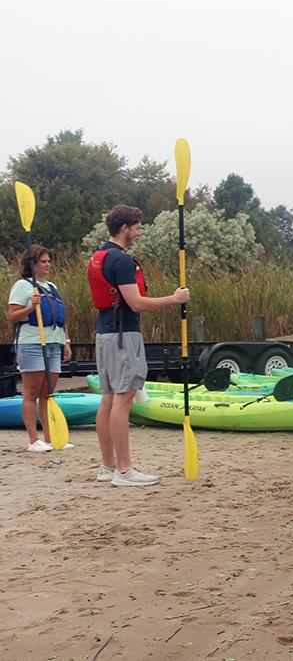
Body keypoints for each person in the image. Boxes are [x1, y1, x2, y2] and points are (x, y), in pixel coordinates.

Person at [88, 205, 189, 487]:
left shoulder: (98, 256)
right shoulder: (120, 260)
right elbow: (136, 303)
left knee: (108, 399)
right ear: (124, 229)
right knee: (123, 398)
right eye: (137, 228)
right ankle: (124, 470)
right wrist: (174, 299)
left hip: (105, 334)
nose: (139, 233)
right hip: (123, 336)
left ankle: (108, 466)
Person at [6, 245, 73, 452]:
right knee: (31, 393)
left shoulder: (51, 286)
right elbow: (11, 316)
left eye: (49, 261)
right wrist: (30, 306)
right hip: (32, 343)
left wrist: (67, 341)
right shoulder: (22, 286)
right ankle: (34, 441)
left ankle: (51, 438)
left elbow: (61, 317)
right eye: (43, 261)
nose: (48, 264)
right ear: (32, 264)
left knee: (48, 394)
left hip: (54, 343)